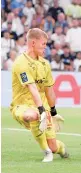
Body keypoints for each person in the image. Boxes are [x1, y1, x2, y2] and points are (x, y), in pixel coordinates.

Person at [10, 28, 68, 162]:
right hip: (22, 106)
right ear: (33, 43)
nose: (45, 47)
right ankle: (46, 152)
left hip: (43, 106)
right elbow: (32, 89)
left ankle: (59, 149)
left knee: (54, 146)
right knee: (33, 115)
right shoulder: (20, 63)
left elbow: (49, 91)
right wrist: (41, 110)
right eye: (43, 44)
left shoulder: (45, 64)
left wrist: (53, 112)